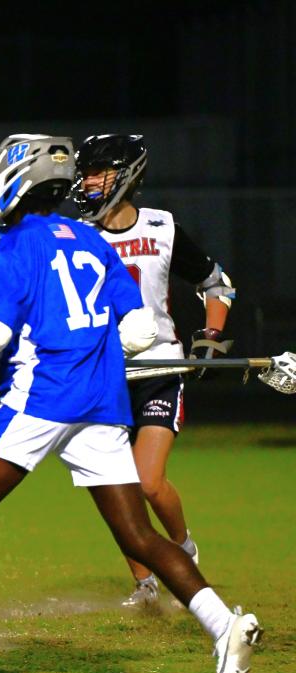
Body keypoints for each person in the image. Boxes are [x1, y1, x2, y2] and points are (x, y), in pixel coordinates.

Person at [0, 135, 260, 673]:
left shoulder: (19, 245)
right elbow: (141, 330)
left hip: (40, 397)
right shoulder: (94, 243)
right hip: (101, 402)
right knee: (137, 534)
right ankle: (225, 626)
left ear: (11, 185)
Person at [73, 134, 236, 607]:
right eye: (85, 173)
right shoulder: (77, 235)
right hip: (101, 376)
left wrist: (209, 334)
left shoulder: (163, 227)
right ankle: (144, 583)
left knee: (146, 482)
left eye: (97, 172)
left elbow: (215, 282)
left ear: (126, 175)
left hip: (160, 367)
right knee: (115, 490)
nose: (87, 182)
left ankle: (183, 548)